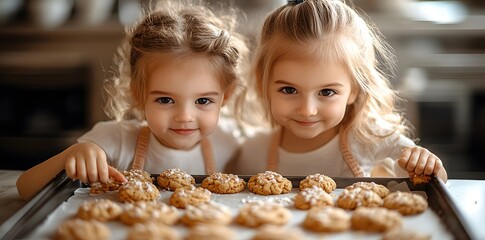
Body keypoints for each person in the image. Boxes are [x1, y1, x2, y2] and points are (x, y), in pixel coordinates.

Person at [17, 0, 249, 200]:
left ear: (225, 97)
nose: (185, 116)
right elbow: (25, 187)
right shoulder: (115, 140)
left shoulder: (230, 143)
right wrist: (72, 155)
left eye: (203, 101)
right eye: (166, 100)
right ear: (139, 94)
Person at [233, 0, 447, 182]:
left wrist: (427, 165)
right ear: (263, 84)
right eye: (289, 90)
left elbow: (430, 182)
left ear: (354, 89)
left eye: (326, 92)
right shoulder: (254, 152)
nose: (307, 110)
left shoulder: (371, 139)